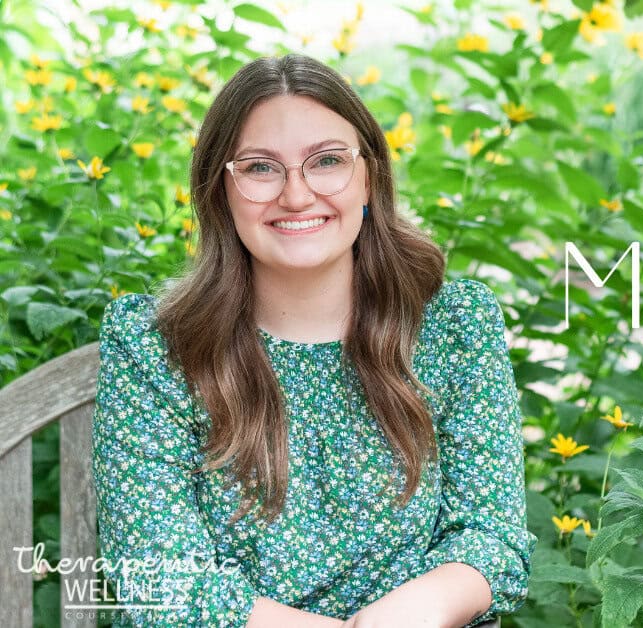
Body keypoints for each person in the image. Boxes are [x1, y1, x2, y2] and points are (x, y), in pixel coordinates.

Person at [91, 53, 534, 628]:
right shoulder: (153, 347)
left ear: (370, 176)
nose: (296, 195)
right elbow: (158, 580)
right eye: (260, 168)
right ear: (219, 189)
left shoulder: (454, 325)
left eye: (326, 161)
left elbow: (491, 537)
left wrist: (399, 618)